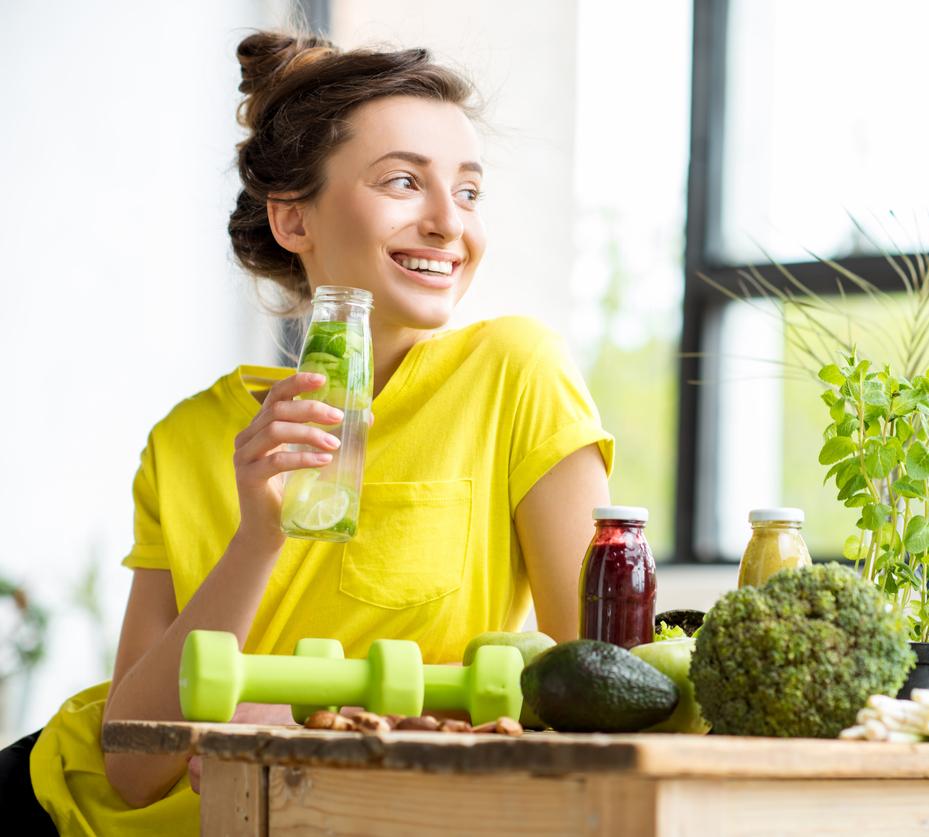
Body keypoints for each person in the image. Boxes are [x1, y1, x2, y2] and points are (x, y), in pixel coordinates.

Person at [1, 30, 613, 835]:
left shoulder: (516, 374)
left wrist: (283, 714)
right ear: (294, 219)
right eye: (403, 182)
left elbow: (602, 693)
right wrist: (258, 536)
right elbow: (134, 763)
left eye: (467, 193)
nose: (446, 223)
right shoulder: (188, 439)